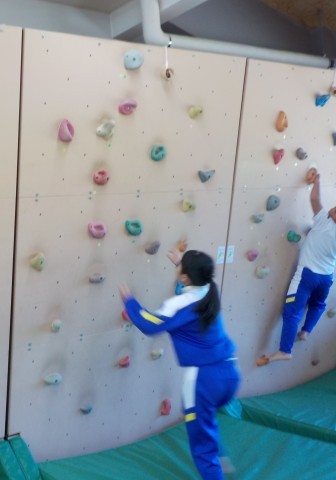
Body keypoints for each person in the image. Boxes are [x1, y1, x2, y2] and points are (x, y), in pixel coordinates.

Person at [119, 250, 240, 480]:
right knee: (202, 417)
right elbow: (197, 281)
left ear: (185, 278)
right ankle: (221, 458)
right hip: (230, 372)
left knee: (201, 444)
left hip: (204, 379)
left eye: (182, 267)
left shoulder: (179, 304)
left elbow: (150, 324)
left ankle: (215, 466)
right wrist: (180, 265)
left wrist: (129, 301)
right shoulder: (210, 289)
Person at [257, 172, 336, 366]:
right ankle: (306, 331)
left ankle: (285, 351)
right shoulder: (327, 222)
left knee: (292, 312)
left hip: (307, 275)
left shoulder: (324, 221)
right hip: (327, 277)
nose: (331, 208)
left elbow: (315, 199)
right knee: (318, 304)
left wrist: (317, 181)